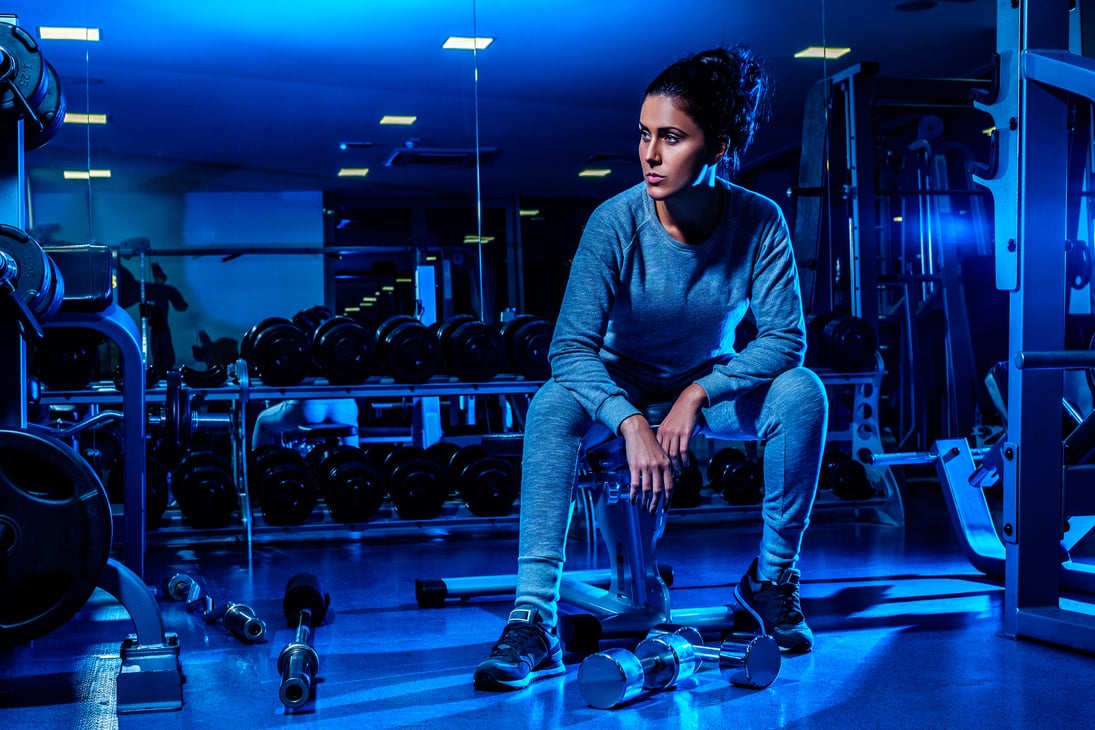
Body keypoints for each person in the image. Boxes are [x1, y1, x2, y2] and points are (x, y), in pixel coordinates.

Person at [473, 45, 829, 691]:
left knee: (801, 392)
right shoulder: (614, 221)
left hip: (708, 381)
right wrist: (631, 422)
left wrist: (697, 394)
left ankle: (770, 580)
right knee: (554, 403)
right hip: (621, 380)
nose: (649, 154)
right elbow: (569, 349)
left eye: (671, 137)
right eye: (643, 134)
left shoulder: (757, 220)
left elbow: (784, 340)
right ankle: (533, 618)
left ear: (717, 147)